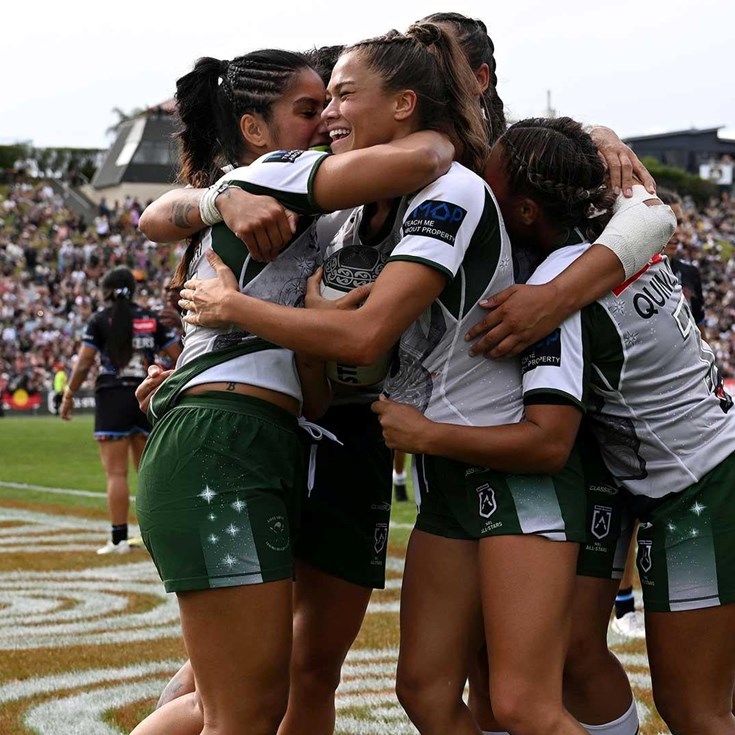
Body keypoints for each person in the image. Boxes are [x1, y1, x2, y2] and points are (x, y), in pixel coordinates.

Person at [131, 44, 457, 735]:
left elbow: (310, 394)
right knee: (239, 709)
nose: (326, 121)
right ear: (256, 129)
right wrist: (441, 122)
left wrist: (310, 329)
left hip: (259, 434)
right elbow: (422, 158)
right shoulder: (282, 171)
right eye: (310, 109)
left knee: (246, 700)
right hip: (224, 439)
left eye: (334, 103)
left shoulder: (281, 190)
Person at [60, 266, 181, 554]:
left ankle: (117, 539)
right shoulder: (151, 319)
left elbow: (86, 361)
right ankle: (158, 536)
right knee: (149, 473)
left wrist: (69, 394)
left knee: (116, 474)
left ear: (107, 291)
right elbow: (180, 356)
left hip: (111, 396)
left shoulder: (100, 320)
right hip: (146, 396)